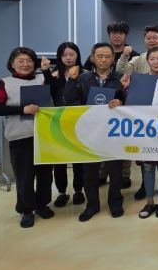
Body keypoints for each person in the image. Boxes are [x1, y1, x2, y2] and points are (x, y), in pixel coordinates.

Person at [116, 25, 158, 199]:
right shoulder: (138, 59)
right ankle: (146, 187)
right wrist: (124, 57)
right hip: (145, 116)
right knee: (146, 155)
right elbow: (121, 72)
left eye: (155, 37)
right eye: (148, 38)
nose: (152, 40)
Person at [63, 43, 125, 222]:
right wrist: (72, 80)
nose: (103, 60)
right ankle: (92, 205)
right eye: (100, 56)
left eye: (107, 56)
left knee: (115, 172)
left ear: (113, 58)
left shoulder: (120, 78)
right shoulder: (83, 78)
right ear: (92, 58)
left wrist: (121, 101)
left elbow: (131, 102)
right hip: (89, 133)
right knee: (90, 173)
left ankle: (115, 202)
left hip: (113, 133)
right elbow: (68, 100)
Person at [0, 47, 54, 228]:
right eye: (20, 61)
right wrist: (22, 109)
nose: (25, 64)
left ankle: (42, 205)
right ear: (12, 64)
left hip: (44, 135)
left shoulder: (41, 79)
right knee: (24, 177)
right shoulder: (5, 83)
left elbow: (55, 89)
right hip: (20, 137)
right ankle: (26, 210)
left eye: (29, 60)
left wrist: (46, 71)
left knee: (45, 175)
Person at [119, 47, 158, 218]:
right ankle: (149, 202)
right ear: (147, 61)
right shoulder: (139, 80)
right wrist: (127, 88)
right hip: (145, 130)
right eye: (152, 59)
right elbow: (132, 102)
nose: (156, 62)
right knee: (148, 167)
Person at [91, 21, 139, 189]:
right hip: (99, 109)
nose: (117, 36)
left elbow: (135, 81)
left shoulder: (134, 55)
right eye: (114, 33)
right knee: (102, 141)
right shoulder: (99, 51)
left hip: (122, 108)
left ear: (126, 35)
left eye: (120, 33)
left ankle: (125, 174)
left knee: (123, 141)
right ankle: (102, 173)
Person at [42, 42, 85, 208]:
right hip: (58, 122)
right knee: (60, 160)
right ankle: (61, 192)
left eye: (71, 54)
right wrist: (46, 71)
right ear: (59, 57)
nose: (68, 58)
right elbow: (50, 91)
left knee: (79, 159)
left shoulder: (85, 74)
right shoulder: (55, 75)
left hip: (79, 122)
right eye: (64, 55)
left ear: (77, 55)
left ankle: (78, 190)